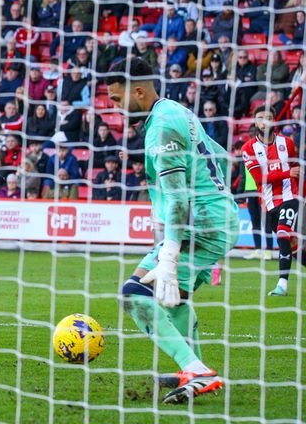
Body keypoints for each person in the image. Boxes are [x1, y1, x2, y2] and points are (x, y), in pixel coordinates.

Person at [107, 58, 238, 403]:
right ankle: (191, 370)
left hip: (202, 225)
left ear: (138, 91)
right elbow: (223, 156)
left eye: (117, 100)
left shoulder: (161, 128)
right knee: (170, 294)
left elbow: (178, 197)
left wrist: (168, 254)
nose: (116, 108)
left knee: (133, 292)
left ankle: (194, 368)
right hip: (213, 218)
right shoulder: (176, 111)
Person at [241, 106, 301, 297]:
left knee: (283, 234)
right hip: (269, 202)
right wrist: (286, 172)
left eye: (269, 117)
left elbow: (297, 171)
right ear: (255, 121)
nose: (265, 121)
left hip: (290, 196)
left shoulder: (288, 143)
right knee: (292, 245)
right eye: (261, 117)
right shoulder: (248, 148)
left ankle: (282, 285)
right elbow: (259, 179)